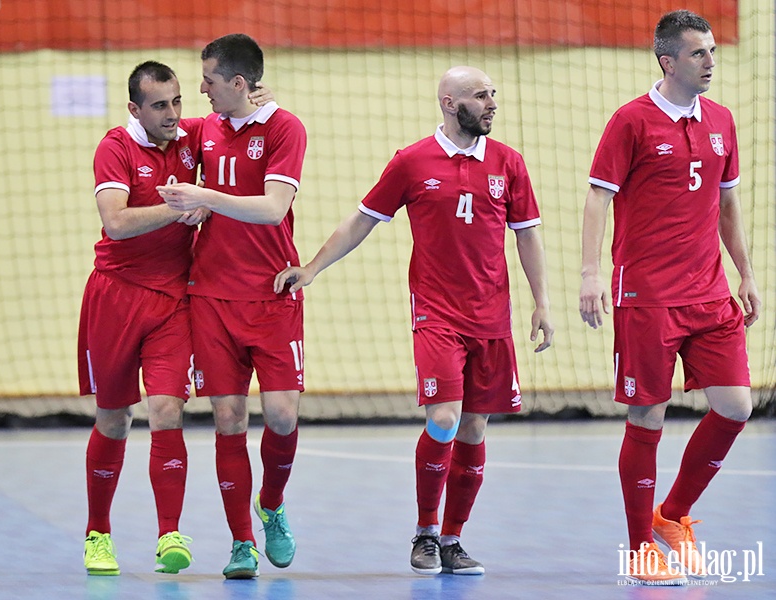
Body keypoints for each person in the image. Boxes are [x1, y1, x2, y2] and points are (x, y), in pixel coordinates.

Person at [274, 66, 554, 576]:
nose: (491, 103)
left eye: (493, 94)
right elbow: (363, 219)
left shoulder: (508, 163)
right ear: (449, 103)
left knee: (473, 427)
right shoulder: (412, 161)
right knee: (444, 418)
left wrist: (542, 302)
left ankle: (453, 540)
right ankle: (424, 532)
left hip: (491, 317)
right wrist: (311, 268)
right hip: (436, 314)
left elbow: (527, 234)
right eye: (479, 95)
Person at [578, 10, 761, 586]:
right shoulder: (631, 121)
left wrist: (746, 273)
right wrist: (589, 274)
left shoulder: (723, 121)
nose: (710, 62)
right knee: (647, 415)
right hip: (647, 294)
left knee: (735, 406)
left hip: (708, 291)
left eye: (711, 51)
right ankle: (639, 547)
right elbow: (597, 199)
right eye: (698, 53)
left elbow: (726, 206)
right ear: (668, 61)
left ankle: (674, 515)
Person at [78, 60, 271, 577]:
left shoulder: (192, 136)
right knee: (114, 418)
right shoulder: (115, 147)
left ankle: (170, 533)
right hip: (115, 298)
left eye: (179, 101)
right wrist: (183, 207)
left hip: (173, 303)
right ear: (135, 108)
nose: (173, 114)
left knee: (167, 410)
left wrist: (251, 97)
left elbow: (237, 115)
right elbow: (115, 223)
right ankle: (98, 533)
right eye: (160, 105)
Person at [156, 33, 307, 579]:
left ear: (239, 83)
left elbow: (271, 209)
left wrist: (203, 198)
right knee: (227, 418)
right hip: (212, 298)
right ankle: (241, 542)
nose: (199, 92)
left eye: (209, 82)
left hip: (272, 293)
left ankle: (271, 503)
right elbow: (153, 128)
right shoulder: (202, 130)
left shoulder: (285, 127)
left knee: (284, 416)